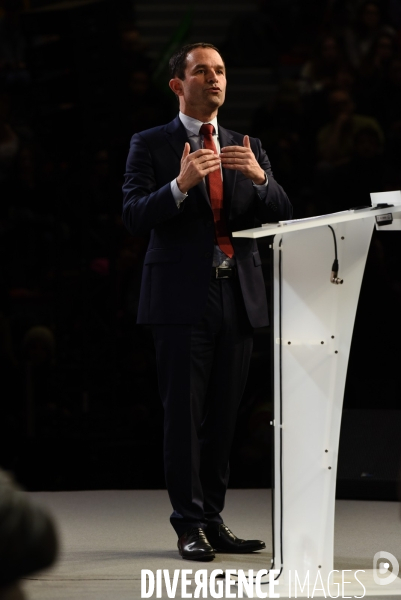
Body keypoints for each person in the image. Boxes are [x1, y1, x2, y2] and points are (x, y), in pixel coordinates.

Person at [122, 42, 292, 561]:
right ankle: (188, 523)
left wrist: (262, 180)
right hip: (180, 299)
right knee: (184, 416)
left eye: (220, 71)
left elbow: (283, 213)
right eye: (202, 71)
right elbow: (132, 214)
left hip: (238, 296)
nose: (214, 79)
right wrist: (179, 185)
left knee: (224, 416)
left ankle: (213, 518)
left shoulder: (247, 144)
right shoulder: (150, 143)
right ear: (178, 84)